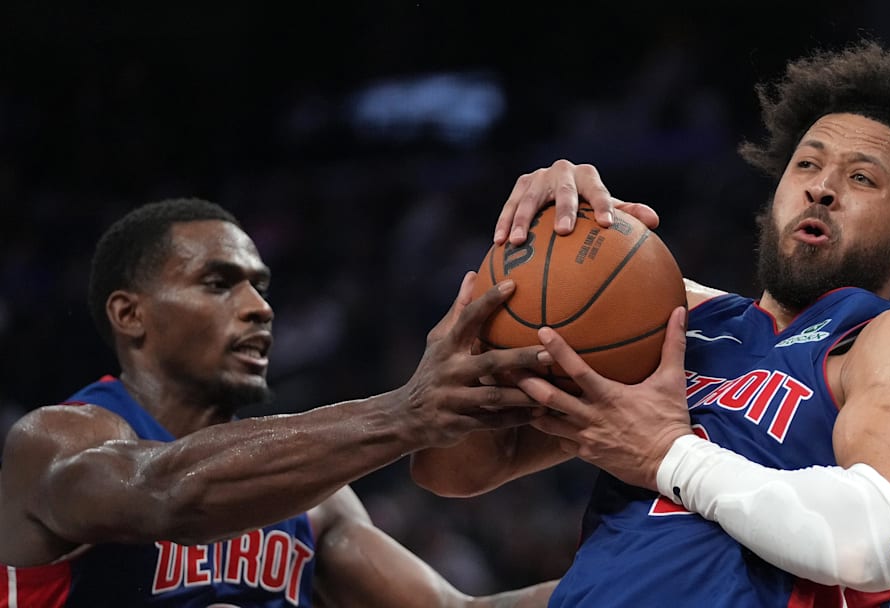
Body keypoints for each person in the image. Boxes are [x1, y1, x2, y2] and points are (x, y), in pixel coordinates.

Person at [412, 41, 890, 606]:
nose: (822, 190)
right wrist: (534, 253)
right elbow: (454, 471)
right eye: (807, 166)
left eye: (861, 178)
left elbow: (872, 543)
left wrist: (666, 456)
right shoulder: (664, 317)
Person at [0, 197, 567, 607]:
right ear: (130, 315)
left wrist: (646, 545)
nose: (259, 308)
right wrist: (407, 413)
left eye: (261, 286)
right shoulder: (55, 442)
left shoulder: (315, 499)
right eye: (220, 283)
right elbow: (168, 494)